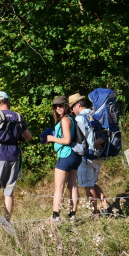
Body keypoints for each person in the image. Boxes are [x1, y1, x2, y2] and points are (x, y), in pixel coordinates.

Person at [0, 91, 33, 220]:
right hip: (14, 155)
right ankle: (7, 220)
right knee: (8, 191)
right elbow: (29, 137)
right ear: (8, 101)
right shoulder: (19, 117)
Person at [69, 93, 110, 216]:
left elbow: (84, 137)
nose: (71, 110)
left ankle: (94, 213)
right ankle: (105, 204)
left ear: (77, 105)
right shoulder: (95, 113)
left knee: (88, 186)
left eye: (72, 107)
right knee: (91, 182)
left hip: (87, 155)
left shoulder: (79, 118)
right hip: (100, 153)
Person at [45, 95, 81, 223]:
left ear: (66, 106)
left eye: (60, 105)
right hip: (75, 155)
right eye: (55, 106)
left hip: (66, 155)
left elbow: (66, 140)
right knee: (72, 185)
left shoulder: (65, 120)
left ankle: (55, 216)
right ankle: (73, 215)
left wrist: (51, 138)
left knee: (58, 186)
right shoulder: (73, 118)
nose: (58, 108)